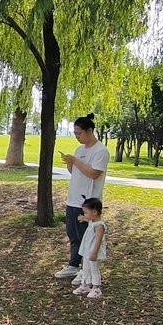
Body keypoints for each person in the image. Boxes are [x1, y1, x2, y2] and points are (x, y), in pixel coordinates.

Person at [54, 114, 110, 282]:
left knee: (86, 237)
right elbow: (75, 172)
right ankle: (73, 265)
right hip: (73, 198)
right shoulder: (79, 150)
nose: (77, 137)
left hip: (88, 201)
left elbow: (94, 173)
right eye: (75, 134)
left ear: (90, 131)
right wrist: (70, 163)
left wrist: (75, 161)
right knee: (73, 233)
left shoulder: (100, 151)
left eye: (79, 133)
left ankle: (86, 271)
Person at [72, 197, 107, 298]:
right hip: (87, 250)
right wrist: (83, 218)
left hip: (93, 251)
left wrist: (94, 253)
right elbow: (88, 219)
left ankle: (96, 288)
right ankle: (85, 285)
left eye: (86, 212)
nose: (85, 214)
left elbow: (99, 240)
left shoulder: (99, 226)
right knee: (86, 268)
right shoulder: (92, 221)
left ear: (94, 212)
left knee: (94, 269)